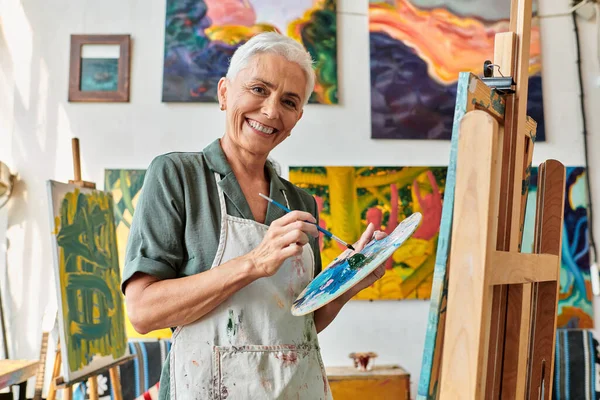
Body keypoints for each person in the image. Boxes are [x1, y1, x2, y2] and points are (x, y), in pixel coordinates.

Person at [121, 32, 387, 400]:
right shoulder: (177, 176)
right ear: (225, 92)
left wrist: (344, 288)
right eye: (259, 89)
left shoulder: (300, 202)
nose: (271, 111)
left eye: (289, 101)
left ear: (297, 117)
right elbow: (143, 311)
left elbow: (295, 326)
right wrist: (254, 263)